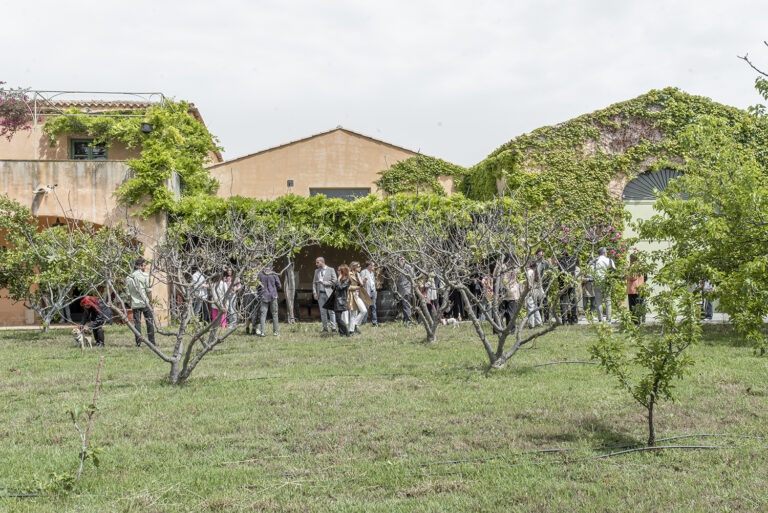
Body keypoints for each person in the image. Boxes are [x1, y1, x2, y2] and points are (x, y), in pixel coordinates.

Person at [126, 258, 155, 347]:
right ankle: (152, 342)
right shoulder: (145, 276)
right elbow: (148, 291)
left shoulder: (129, 277)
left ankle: (138, 342)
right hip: (145, 302)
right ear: (140, 266)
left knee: (137, 323)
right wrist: (151, 302)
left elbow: (128, 294)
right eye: (144, 265)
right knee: (149, 322)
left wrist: (132, 302)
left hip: (135, 304)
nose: (145, 267)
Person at [313, 257, 337, 333]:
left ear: (322, 262)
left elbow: (335, 281)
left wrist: (325, 283)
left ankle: (333, 328)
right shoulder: (316, 271)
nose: (316, 264)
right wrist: (314, 292)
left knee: (331, 312)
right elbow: (314, 283)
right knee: (323, 312)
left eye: (317, 262)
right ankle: (325, 328)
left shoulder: (331, 270)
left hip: (329, 294)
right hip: (320, 294)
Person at [256, 264, 282, 337]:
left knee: (263, 315)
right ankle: (275, 332)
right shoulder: (273, 274)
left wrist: (260, 294)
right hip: (273, 295)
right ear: (271, 267)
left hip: (264, 296)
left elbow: (257, 286)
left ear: (264, 267)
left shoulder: (260, 274)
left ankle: (262, 332)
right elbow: (279, 285)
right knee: (275, 314)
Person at [592, 247, 615, 323]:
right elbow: (614, 270)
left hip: (597, 282)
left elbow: (591, 272)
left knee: (598, 301)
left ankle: (600, 320)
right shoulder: (609, 260)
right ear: (604, 253)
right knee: (607, 301)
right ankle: (608, 320)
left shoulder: (595, 261)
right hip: (607, 282)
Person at [348, 261, 371, 334]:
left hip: (357, 295)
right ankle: (351, 331)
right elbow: (347, 287)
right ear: (354, 267)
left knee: (364, 310)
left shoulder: (358, 274)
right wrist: (356, 287)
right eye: (359, 266)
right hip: (351, 295)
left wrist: (364, 281)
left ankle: (354, 325)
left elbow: (361, 285)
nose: (360, 267)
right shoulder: (349, 274)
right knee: (353, 314)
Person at [331, 264, 351, 336]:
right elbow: (335, 289)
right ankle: (341, 333)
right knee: (337, 319)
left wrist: (338, 280)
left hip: (341, 301)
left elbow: (341, 288)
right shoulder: (340, 279)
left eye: (339, 270)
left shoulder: (347, 280)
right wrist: (333, 285)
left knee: (339, 319)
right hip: (336, 300)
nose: (337, 271)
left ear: (343, 271)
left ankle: (347, 332)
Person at [626, 253, 646, 325]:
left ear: (632, 259)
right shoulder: (641, 266)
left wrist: (625, 276)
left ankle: (634, 322)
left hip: (633, 289)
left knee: (633, 307)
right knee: (639, 305)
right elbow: (645, 277)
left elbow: (632, 277)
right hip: (640, 288)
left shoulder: (634, 267)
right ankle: (640, 321)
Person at [534, 248, 552, 321]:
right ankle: (540, 318)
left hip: (544, 284)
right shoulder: (534, 263)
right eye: (539, 255)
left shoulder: (545, 263)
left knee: (545, 300)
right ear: (537, 255)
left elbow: (551, 271)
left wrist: (550, 263)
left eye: (542, 255)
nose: (541, 256)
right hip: (537, 284)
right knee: (538, 301)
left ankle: (546, 318)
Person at [395, 257, 414, 325]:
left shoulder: (408, 267)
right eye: (400, 259)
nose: (402, 260)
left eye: (403, 259)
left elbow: (412, 277)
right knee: (403, 306)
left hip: (406, 289)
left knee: (406, 306)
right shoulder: (399, 268)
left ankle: (409, 322)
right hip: (401, 291)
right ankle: (405, 320)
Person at [359, 261, 378, 326]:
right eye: (373, 265)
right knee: (366, 308)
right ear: (369, 266)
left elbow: (373, 283)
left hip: (372, 292)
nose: (374, 267)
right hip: (366, 292)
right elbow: (361, 282)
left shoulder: (372, 273)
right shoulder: (363, 272)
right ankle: (363, 322)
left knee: (373, 307)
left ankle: (374, 322)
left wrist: (375, 292)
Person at [525, 261, 543, 328]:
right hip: (536, 291)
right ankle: (539, 322)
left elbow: (529, 282)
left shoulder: (530, 272)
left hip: (531, 290)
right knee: (535, 307)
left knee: (530, 307)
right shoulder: (536, 271)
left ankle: (531, 324)